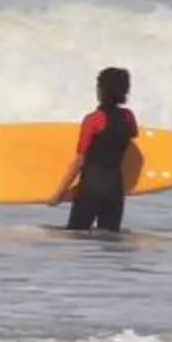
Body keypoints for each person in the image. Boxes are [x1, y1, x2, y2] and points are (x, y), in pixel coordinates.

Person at [53, 65, 142, 232]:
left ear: (101, 90)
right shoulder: (128, 117)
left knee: (76, 236)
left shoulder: (93, 120)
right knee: (110, 241)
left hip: (90, 189)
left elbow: (80, 160)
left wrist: (59, 193)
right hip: (115, 190)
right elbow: (130, 143)